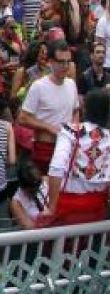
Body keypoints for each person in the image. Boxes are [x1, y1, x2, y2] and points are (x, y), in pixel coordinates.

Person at [43, 89, 110, 225]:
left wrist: (51, 208)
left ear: (85, 108)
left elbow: (56, 169)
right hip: (97, 209)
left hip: (68, 208)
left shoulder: (70, 131)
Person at [17, 40, 79, 173]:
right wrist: (48, 127)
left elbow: (75, 110)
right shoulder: (38, 86)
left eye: (68, 61)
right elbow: (22, 118)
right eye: (61, 61)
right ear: (51, 61)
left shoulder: (71, 84)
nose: (66, 65)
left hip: (67, 146)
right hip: (44, 147)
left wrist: (73, 129)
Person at [10, 159, 50, 229]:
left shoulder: (48, 181)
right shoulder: (16, 202)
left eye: (38, 187)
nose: (35, 191)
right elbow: (29, 227)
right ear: (22, 187)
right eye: (31, 190)